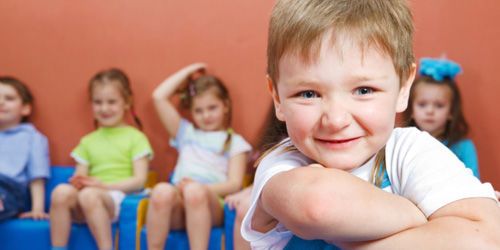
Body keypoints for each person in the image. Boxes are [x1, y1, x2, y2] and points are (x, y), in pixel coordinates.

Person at [241, 0, 500, 249]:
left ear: (403, 88)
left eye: (364, 90)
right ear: (277, 98)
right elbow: (318, 206)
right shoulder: (281, 164)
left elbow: (486, 240)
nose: (336, 120)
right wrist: (422, 218)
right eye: (309, 94)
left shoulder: (409, 151)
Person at [146, 63, 251, 250]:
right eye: (198, 110)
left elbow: (234, 184)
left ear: (225, 105)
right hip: (180, 201)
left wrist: (199, 187)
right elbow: (158, 97)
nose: (206, 115)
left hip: (211, 204)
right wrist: (188, 71)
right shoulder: (186, 133)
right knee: (161, 190)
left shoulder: (235, 142)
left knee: (194, 192)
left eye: (212, 108)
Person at [49, 69, 152, 250]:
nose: (104, 109)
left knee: (90, 195)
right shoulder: (88, 141)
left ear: (126, 103)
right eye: (98, 102)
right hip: (88, 197)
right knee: (60, 192)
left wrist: (102, 186)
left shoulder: (136, 138)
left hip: (117, 198)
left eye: (111, 102)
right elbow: (80, 177)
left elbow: (139, 180)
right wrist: (80, 182)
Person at [403, 57, 479, 178]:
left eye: (439, 105)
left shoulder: (463, 147)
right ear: (411, 109)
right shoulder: (403, 143)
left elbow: (474, 183)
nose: (430, 111)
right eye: (422, 104)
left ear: (451, 112)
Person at [224, 105, 287, 250]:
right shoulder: (275, 142)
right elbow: (267, 175)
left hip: (284, 190)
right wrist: (248, 190)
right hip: (267, 186)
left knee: (247, 208)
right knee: (244, 208)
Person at [0, 76, 50, 221]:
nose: (1, 102)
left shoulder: (32, 137)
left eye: (9, 98)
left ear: (25, 108)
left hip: (9, 189)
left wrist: (37, 209)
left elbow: (37, 176)